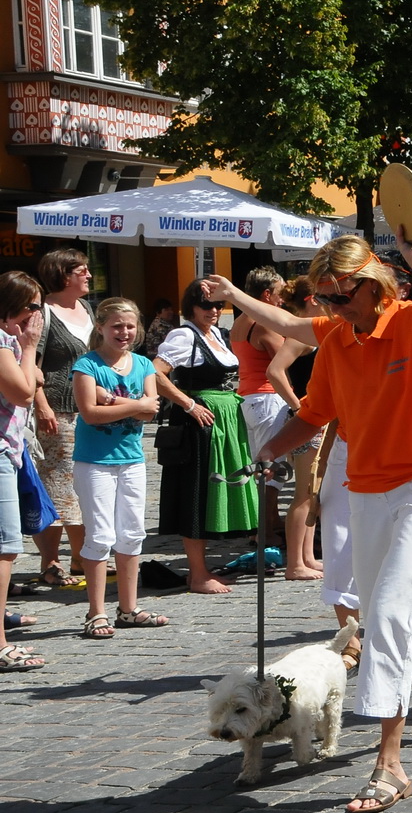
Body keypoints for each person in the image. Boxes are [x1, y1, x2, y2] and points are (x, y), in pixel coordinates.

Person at [230, 231, 412, 813]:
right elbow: (315, 413)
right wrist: (265, 454)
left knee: (388, 613)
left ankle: (389, 765)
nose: (331, 310)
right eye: (324, 300)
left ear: (373, 286)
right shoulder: (337, 338)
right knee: (377, 608)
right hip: (366, 488)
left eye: (340, 298)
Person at [72, 298, 168, 637]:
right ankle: (95, 612)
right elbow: (89, 413)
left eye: (129, 326)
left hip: (131, 460)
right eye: (116, 326)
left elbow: (150, 411)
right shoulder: (87, 365)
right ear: (100, 328)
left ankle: (128, 608)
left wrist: (113, 400)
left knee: (131, 532)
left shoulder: (143, 364)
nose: (123, 332)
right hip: (94, 461)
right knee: (99, 535)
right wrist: (136, 404)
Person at [154, 281, 256, 593]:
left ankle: (203, 569)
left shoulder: (217, 336)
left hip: (224, 422)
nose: (213, 311)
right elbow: (154, 372)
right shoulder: (184, 335)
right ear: (191, 307)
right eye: (205, 305)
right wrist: (188, 403)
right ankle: (197, 574)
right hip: (201, 424)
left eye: (217, 305)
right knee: (197, 493)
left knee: (215, 493)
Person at [29, 247, 96, 590]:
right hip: (58, 409)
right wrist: (41, 406)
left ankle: (80, 557)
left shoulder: (86, 309)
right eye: (80, 270)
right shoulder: (44, 313)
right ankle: (52, 561)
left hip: (91, 411)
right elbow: (32, 365)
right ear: (63, 275)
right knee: (59, 486)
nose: (87, 275)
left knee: (84, 482)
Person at [231, 267, 297, 570]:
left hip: (249, 396)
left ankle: (269, 525)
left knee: (265, 465)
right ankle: (268, 531)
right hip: (269, 397)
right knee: (272, 469)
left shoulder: (239, 322)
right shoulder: (264, 323)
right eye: (281, 290)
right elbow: (284, 360)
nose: (284, 297)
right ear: (267, 294)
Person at [269, 280, 326, 587]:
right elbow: (275, 371)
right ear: (312, 299)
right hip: (307, 420)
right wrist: (297, 406)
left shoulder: (315, 331)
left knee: (314, 494)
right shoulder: (302, 333)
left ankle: (306, 556)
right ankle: (294, 562)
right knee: (303, 493)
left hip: (319, 419)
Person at [0, 271, 43, 670]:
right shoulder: (2, 343)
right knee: (5, 545)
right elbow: (24, 390)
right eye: (32, 306)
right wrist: (28, 347)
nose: (37, 315)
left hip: (10, 449)